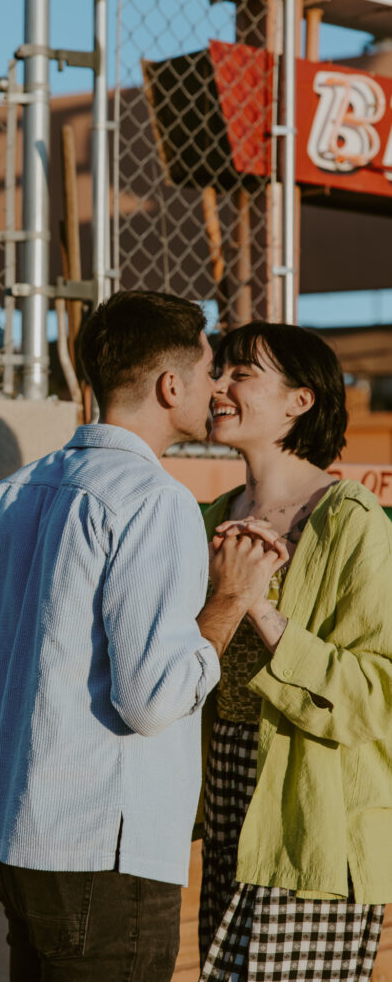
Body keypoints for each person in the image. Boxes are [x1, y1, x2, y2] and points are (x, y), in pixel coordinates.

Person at [0, 290, 283, 982]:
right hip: (101, 850)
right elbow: (150, 700)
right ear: (170, 385)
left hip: (17, 837)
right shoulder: (153, 498)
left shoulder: (14, 491)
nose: (213, 388)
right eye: (207, 373)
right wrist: (230, 599)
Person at [199, 321, 392, 982]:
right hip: (227, 786)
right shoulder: (210, 513)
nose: (217, 386)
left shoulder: (349, 519)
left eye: (240, 373)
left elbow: (378, 694)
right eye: (216, 370)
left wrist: (255, 604)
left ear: (298, 401)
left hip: (313, 810)